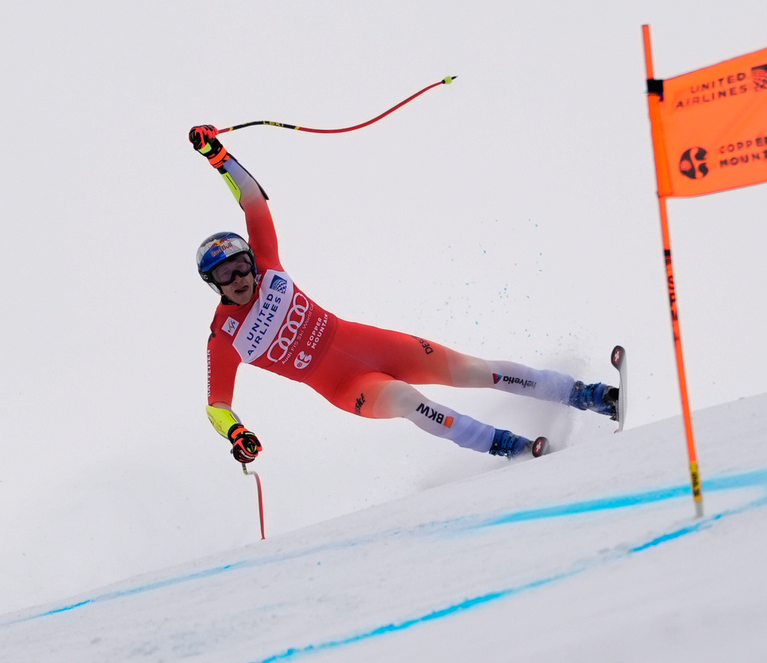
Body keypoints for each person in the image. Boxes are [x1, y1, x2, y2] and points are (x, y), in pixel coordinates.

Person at [190, 125, 618, 464]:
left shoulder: (267, 264)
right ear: (214, 285)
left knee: (474, 370)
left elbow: (253, 200)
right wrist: (237, 433)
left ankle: (592, 396)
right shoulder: (224, 335)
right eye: (225, 276)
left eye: (241, 265)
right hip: (349, 384)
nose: (240, 279)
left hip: (372, 344)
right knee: (409, 402)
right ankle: (511, 447)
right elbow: (216, 406)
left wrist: (219, 157)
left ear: (251, 258)